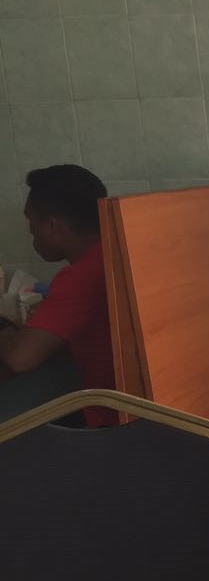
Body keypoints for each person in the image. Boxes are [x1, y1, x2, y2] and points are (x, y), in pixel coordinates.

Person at [0, 165, 114, 426]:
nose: (30, 231)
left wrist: (4, 330)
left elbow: (20, 358)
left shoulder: (82, 275)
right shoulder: (117, 251)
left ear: (52, 225)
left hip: (110, 414)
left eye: (30, 220)